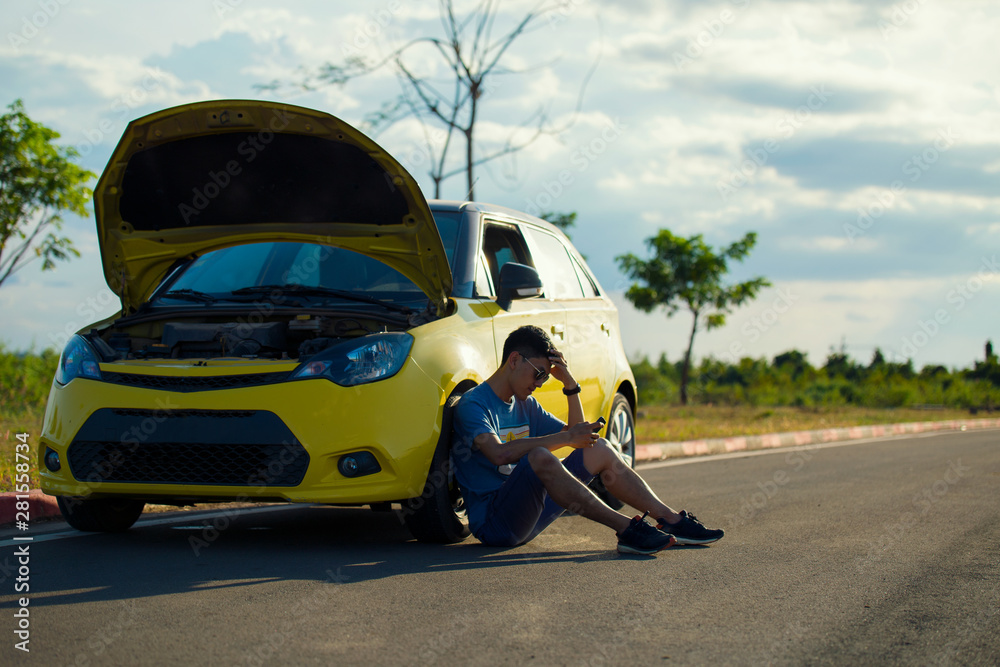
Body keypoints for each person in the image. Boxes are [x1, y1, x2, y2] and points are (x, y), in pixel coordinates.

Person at [452, 325, 724, 555]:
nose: (541, 382)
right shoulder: (474, 404)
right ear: (514, 360)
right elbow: (498, 454)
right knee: (540, 456)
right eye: (539, 373)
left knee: (600, 448)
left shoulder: (527, 404)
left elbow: (579, 436)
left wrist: (570, 385)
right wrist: (567, 437)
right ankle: (627, 529)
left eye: (547, 376)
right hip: (496, 525)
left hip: (532, 515)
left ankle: (671, 520)